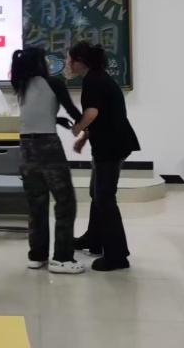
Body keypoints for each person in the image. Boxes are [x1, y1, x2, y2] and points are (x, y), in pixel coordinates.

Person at [12, 47, 86, 274]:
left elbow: (36, 112)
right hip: (48, 147)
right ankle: (62, 258)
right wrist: (88, 123)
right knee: (65, 202)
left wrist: (55, 119)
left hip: (26, 148)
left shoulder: (21, 85)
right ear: (40, 62)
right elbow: (73, 111)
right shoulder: (53, 82)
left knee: (36, 204)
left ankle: (37, 255)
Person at [68, 41, 140, 272]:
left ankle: (117, 256)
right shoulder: (97, 77)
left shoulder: (93, 80)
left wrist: (78, 128)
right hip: (110, 144)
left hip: (112, 146)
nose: (68, 64)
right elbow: (102, 115)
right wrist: (84, 138)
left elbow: (92, 113)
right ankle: (94, 238)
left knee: (105, 197)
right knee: (97, 193)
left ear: (80, 62)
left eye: (70, 60)